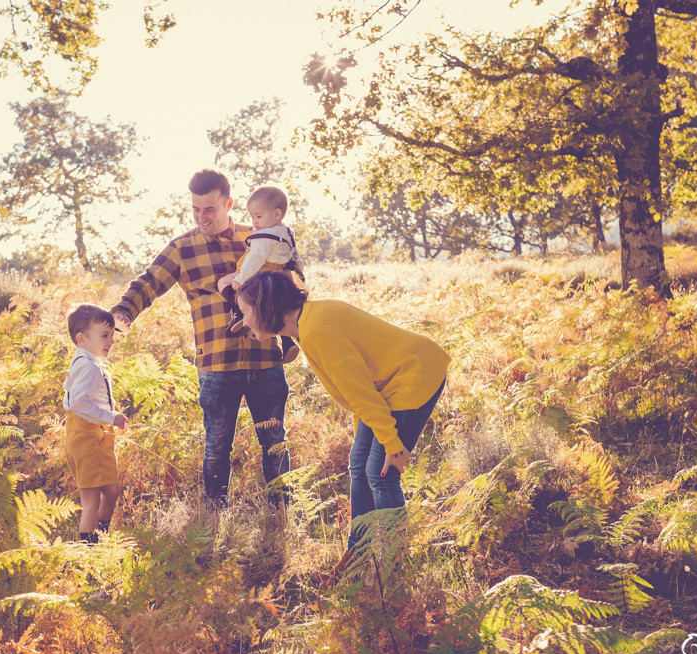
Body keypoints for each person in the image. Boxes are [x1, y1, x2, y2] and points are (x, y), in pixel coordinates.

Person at [235, 270, 450, 572]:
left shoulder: (317, 330)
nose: (244, 321)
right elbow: (358, 388)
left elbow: (360, 391)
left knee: (382, 471)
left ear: (264, 306)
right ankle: (358, 554)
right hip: (388, 382)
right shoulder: (307, 324)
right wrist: (367, 439)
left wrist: (392, 443)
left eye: (245, 312)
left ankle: (395, 565)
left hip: (414, 373)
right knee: (359, 464)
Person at [111, 169, 292, 507]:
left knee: (275, 442)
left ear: (229, 204)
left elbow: (291, 274)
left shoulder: (258, 237)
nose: (201, 216)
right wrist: (124, 310)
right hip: (216, 364)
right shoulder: (182, 248)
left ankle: (282, 513)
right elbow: (148, 283)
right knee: (217, 446)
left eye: (209, 209)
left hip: (265, 358)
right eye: (195, 209)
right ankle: (211, 517)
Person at [63, 304, 128, 543]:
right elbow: (78, 403)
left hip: (95, 438)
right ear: (81, 339)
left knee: (111, 491)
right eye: (104, 335)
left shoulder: (86, 364)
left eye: (112, 335)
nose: (111, 340)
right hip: (87, 438)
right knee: (90, 498)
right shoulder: (88, 367)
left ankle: (101, 533)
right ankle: (91, 550)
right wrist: (111, 418)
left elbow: (74, 398)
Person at [216, 186, 303, 363]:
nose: (254, 221)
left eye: (259, 216)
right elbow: (296, 255)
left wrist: (241, 278)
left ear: (277, 214)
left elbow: (255, 258)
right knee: (278, 309)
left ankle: (241, 311)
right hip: (280, 274)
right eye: (252, 216)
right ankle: (288, 342)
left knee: (224, 282)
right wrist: (300, 275)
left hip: (260, 273)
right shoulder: (286, 232)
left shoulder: (265, 236)